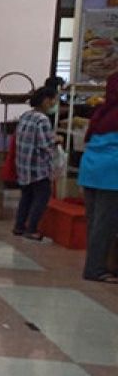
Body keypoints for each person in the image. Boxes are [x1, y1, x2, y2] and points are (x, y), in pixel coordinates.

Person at [79, 72, 118, 284]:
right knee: (105, 225)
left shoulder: (102, 112)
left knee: (95, 223)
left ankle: (94, 265)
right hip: (111, 174)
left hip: (91, 170)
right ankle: (95, 269)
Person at [12, 86, 59, 241]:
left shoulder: (26, 116)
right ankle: (31, 229)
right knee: (41, 197)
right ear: (46, 100)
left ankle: (19, 226)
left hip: (24, 165)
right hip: (39, 167)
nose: (54, 103)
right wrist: (56, 141)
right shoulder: (43, 120)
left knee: (26, 196)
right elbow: (45, 145)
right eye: (54, 99)